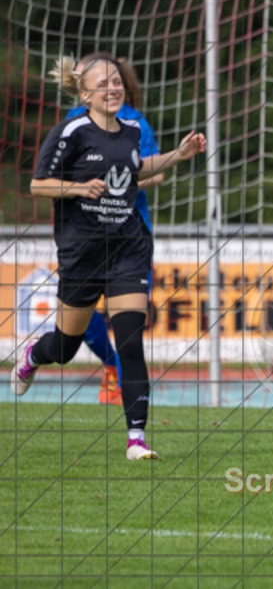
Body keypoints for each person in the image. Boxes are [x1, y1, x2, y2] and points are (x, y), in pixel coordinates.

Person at [11, 55, 205, 461]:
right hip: (83, 253)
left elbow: (138, 171)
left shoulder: (133, 129)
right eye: (102, 84)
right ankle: (33, 355)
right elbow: (38, 185)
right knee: (64, 347)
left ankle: (137, 439)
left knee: (131, 342)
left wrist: (178, 155)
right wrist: (78, 189)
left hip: (128, 249)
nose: (112, 88)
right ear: (85, 94)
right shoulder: (71, 131)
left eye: (116, 81)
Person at [62, 53, 164, 405]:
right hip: (85, 236)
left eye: (112, 81)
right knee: (76, 321)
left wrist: (118, 182)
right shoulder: (73, 120)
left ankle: (131, 408)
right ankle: (112, 366)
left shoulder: (136, 122)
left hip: (130, 238)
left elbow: (156, 174)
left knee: (129, 327)